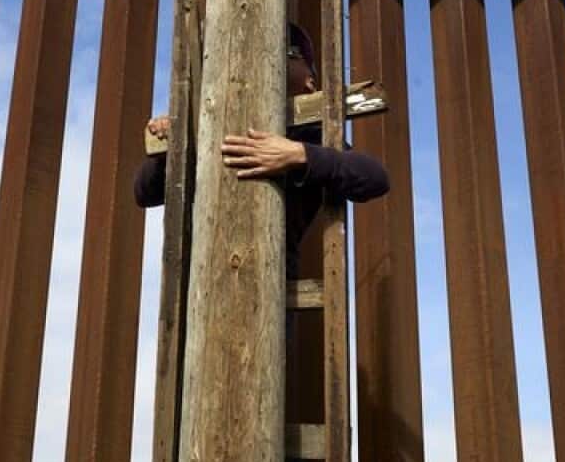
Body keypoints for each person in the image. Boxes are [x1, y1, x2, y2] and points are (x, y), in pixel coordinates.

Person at [134, 23, 389, 279]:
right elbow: (144, 191)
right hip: (201, 283)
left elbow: (375, 178)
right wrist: (171, 149)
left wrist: (300, 155)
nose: (266, 58)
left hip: (272, 285)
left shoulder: (310, 134)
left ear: (310, 81)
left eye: (286, 52)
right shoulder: (213, 122)